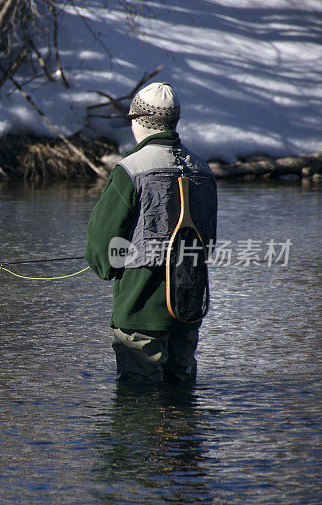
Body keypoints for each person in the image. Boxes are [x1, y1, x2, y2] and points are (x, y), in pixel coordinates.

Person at [84, 82, 217, 385]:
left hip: (140, 309)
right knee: (180, 399)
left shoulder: (130, 169)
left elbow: (101, 246)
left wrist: (106, 264)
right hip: (188, 306)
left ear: (138, 121)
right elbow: (207, 243)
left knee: (138, 405)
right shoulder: (203, 169)